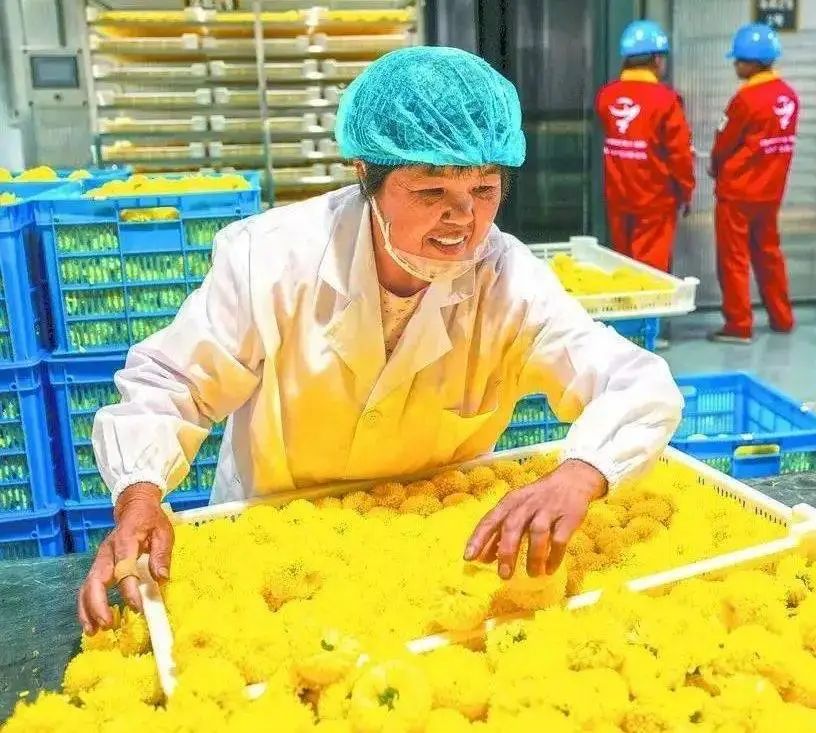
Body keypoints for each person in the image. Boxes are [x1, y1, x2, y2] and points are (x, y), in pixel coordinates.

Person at [77, 47, 685, 633]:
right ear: (365, 174)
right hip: (277, 542)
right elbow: (172, 383)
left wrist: (581, 471)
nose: (463, 220)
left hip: (429, 543)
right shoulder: (270, 259)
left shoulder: (508, 281)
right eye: (431, 192)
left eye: (484, 190)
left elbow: (635, 382)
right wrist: (139, 494)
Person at [709, 23, 799, 344]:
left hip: (738, 193)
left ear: (752, 62)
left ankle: (738, 325)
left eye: (738, 60)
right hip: (770, 192)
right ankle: (782, 317)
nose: (735, 65)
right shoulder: (788, 96)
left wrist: (714, 167)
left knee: (733, 259)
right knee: (769, 254)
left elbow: (724, 143)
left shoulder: (745, 99)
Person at [595, 19, 695, 272]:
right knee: (651, 274)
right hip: (655, 202)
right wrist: (686, 192)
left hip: (618, 198)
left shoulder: (606, 96)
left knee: (624, 267)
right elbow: (680, 155)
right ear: (657, 60)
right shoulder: (666, 100)